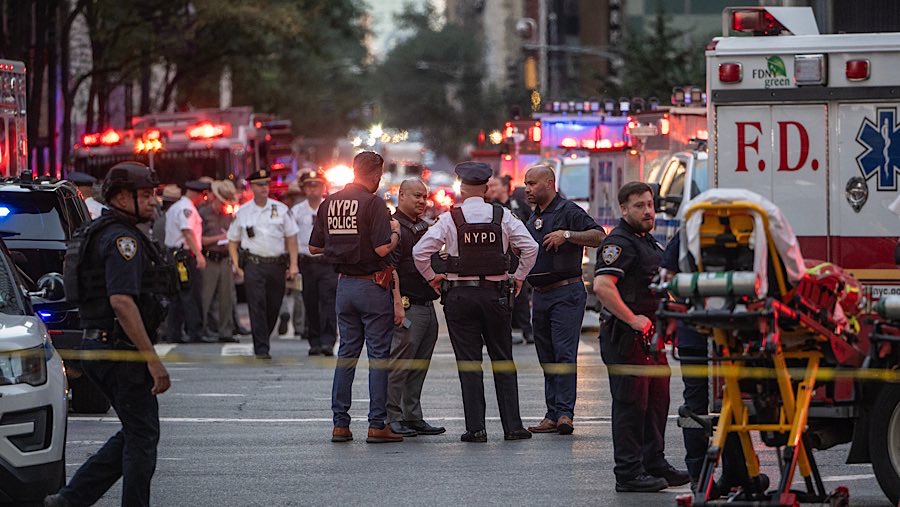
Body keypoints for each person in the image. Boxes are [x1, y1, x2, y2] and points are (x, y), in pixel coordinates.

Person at [46, 162, 174, 507]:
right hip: (119, 351)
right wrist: (153, 361)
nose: (153, 201)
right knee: (143, 436)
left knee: (136, 431)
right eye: (144, 195)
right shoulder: (122, 240)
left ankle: (70, 499)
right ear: (121, 197)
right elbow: (122, 302)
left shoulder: (104, 231)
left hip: (100, 346)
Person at [413, 161, 538, 443]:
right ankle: (513, 426)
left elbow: (420, 252)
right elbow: (531, 247)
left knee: (469, 363)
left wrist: (433, 278)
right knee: (503, 359)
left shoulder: (450, 218)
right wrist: (519, 277)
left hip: (460, 297)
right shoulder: (503, 216)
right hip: (496, 295)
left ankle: (476, 429)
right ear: (485, 188)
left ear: (461, 188)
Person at [592, 181, 690, 492]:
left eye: (650, 204)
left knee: (657, 404)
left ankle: (654, 463)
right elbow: (602, 286)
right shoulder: (619, 243)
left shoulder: (647, 242)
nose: (648, 211)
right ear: (623, 209)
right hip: (626, 338)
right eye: (639, 206)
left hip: (651, 340)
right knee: (631, 406)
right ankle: (629, 473)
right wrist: (633, 319)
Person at [310, 151, 405, 444]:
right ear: (375, 175)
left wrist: (341, 248)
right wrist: (396, 234)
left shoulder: (329, 202)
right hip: (371, 287)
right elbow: (381, 249)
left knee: (346, 355)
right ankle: (377, 424)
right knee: (378, 357)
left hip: (344, 287)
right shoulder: (373, 203)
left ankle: (340, 424)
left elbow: (314, 248)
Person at [522, 165, 605, 435]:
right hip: (540, 294)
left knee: (564, 353)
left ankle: (565, 414)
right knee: (546, 355)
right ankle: (552, 413)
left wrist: (567, 235)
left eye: (532, 183)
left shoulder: (568, 211)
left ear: (549, 183)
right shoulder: (534, 216)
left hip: (566, 293)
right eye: (526, 184)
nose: (527, 189)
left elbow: (599, 236)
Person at [385, 179, 446, 437]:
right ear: (401, 195)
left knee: (419, 365)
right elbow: (390, 269)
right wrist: (397, 303)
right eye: (416, 196)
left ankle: (412, 415)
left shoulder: (425, 227)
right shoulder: (393, 227)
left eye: (424, 196)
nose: (422, 201)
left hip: (427, 305)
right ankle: (392, 417)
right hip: (407, 306)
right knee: (399, 366)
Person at [227, 170, 299, 358]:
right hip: (253, 264)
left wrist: (293, 264)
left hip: (276, 265)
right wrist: (237, 265)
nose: (264, 188)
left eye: (266, 184)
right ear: (252, 187)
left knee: (273, 305)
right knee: (256, 304)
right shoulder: (243, 212)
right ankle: (261, 348)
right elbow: (232, 241)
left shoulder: (281, 209)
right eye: (260, 185)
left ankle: (263, 337)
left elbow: (291, 238)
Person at [293, 170, 337, 356]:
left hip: (327, 262)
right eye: (309, 186)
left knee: (328, 302)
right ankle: (314, 340)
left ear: (323, 187)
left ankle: (328, 341)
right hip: (307, 263)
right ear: (304, 189)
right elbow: (291, 238)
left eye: (316, 185)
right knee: (310, 302)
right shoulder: (297, 211)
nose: (313, 189)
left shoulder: (331, 207)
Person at [488, 175, 534, 345]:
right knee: (499, 298)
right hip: (497, 260)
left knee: (520, 297)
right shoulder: (490, 209)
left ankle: (527, 330)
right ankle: (502, 333)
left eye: (495, 185)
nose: (492, 188)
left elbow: (532, 226)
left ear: (505, 187)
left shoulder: (519, 206)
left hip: (516, 260)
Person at [164, 180, 211, 344]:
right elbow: (188, 232)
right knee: (190, 293)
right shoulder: (187, 209)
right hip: (184, 256)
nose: (203, 199)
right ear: (197, 194)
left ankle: (175, 333)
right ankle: (195, 332)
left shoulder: (175, 207)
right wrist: (198, 255)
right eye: (203, 196)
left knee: (177, 295)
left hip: (175, 254)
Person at [199, 179, 239, 343]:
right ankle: (201, 329)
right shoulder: (203, 213)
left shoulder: (229, 215)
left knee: (226, 297)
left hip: (225, 258)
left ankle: (225, 331)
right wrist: (220, 237)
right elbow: (199, 239)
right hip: (209, 258)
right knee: (205, 296)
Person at [278, 182, 306, 337]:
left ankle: (284, 311)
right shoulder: (303, 209)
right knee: (298, 291)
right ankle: (299, 325)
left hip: (285, 253)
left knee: (280, 289)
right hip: (301, 253)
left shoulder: (286, 212)